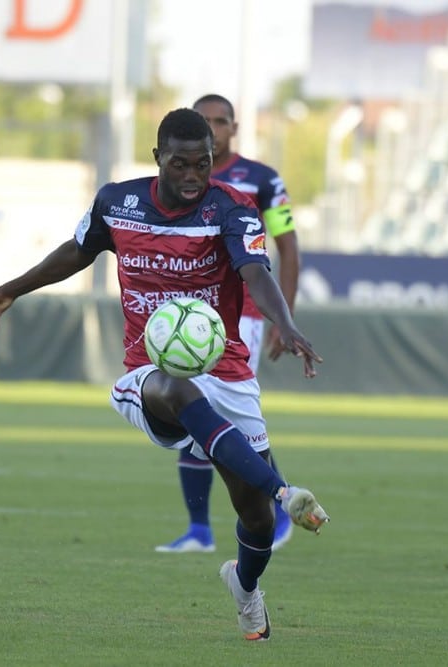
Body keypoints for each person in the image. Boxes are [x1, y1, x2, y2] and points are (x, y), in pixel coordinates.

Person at [0, 108, 329, 640]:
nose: (191, 176)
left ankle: (246, 587)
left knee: (255, 522)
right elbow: (77, 251)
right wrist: (11, 289)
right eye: (179, 164)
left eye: (202, 165)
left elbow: (254, 271)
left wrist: (286, 324)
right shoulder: (118, 202)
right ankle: (282, 488)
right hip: (147, 375)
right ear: (158, 157)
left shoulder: (233, 210)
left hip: (226, 375)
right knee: (175, 389)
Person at [155, 93, 301, 554]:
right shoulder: (174, 184)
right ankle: (199, 529)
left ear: (233, 130)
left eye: (221, 122)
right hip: (182, 312)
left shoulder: (261, 181)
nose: (213, 128)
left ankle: (276, 509)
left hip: (243, 316)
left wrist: (285, 317)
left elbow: (287, 245)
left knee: (229, 416)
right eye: (205, 121)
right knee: (189, 409)